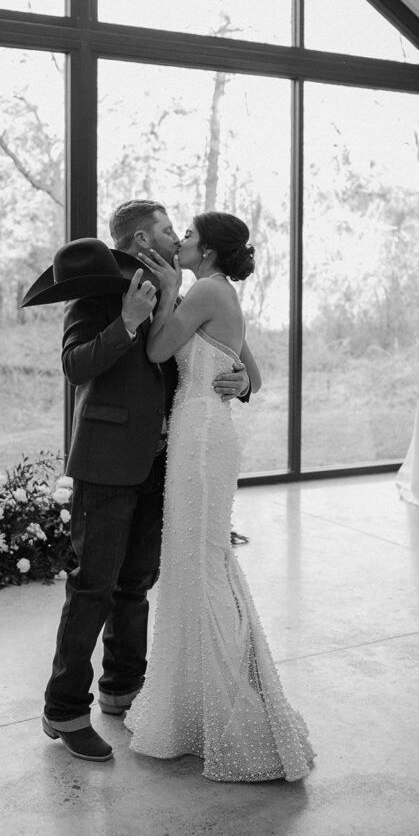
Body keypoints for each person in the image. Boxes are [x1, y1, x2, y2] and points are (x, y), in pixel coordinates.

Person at [22, 200, 251, 763]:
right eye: (169, 230)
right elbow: (75, 366)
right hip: (106, 461)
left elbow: (210, 354)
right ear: (140, 239)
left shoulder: (180, 289)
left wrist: (239, 376)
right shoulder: (98, 291)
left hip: (166, 462)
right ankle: (65, 710)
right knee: (93, 587)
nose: (177, 238)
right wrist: (126, 321)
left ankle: (123, 689)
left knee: (136, 585)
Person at [125, 211, 314, 782]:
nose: (179, 241)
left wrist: (168, 298)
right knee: (194, 563)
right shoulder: (217, 290)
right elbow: (251, 370)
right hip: (199, 433)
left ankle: (231, 705)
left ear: (205, 251)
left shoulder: (203, 288)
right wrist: (243, 381)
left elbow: (159, 351)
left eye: (187, 235)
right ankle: (196, 703)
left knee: (200, 565)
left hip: (202, 439)